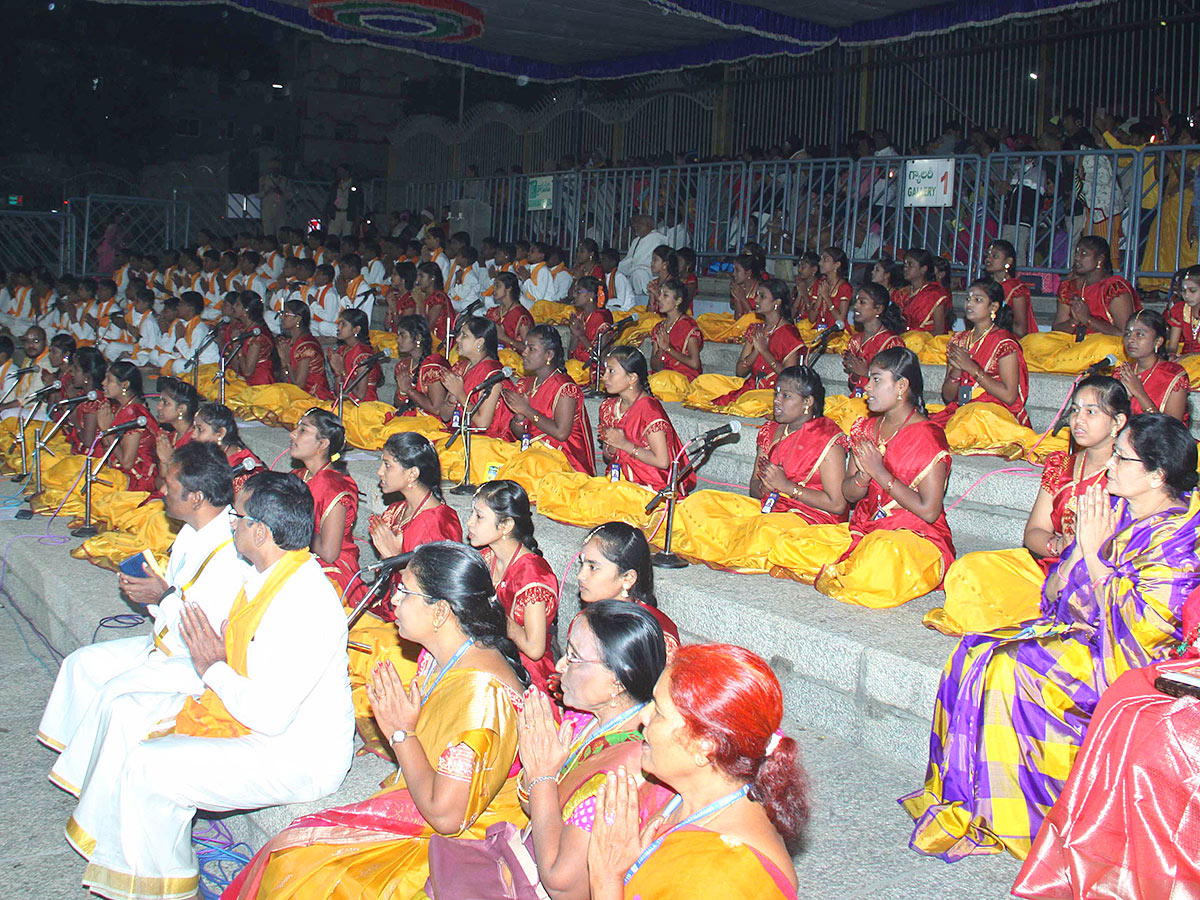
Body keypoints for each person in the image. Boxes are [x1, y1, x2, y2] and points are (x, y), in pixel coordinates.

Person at [901, 414, 1200, 862]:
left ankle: (1016, 822)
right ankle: (970, 800)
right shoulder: (1119, 507)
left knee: (1009, 668)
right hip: (1081, 632)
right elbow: (1060, 588)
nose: (1110, 466)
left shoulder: (1180, 539)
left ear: (1157, 475)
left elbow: (1143, 634)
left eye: (1121, 457)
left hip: (1124, 662)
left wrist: (1096, 558)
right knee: (974, 650)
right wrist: (1079, 550)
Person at [57, 470, 353, 900]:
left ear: (261, 531)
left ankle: (167, 889)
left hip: (296, 753)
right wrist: (209, 657)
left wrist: (211, 666)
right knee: (129, 709)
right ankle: (115, 848)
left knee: (152, 766)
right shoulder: (267, 575)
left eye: (238, 515)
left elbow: (268, 716)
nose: (230, 522)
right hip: (251, 717)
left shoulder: (305, 601)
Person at [223, 542, 530, 900]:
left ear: (441, 611)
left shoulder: (481, 696)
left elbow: (448, 820)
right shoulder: (444, 654)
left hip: (465, 841)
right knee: (295, 845)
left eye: (404, 591)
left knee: (304, 870)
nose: (395, 601)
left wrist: (401, 734)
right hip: (437, 803)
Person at [38, 442, 249, 796]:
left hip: (197, 664)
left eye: (170, 485)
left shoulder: (232, 549)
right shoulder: (191, 530)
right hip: (166, 642)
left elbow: (204, 631)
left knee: (113, 693)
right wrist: (149, 592)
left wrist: (161, 596)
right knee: (81, 665)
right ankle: (80, 765)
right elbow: (176, 593)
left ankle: (98, 790)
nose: (163, 491)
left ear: (196, 497)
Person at [431, 600, 668, 900]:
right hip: (531, 852)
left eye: (574, 657)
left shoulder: (623, 772)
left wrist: (543, 776)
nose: (559, 666)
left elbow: (560, 882)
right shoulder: (582, 719)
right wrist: (538, 775)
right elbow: (535, 806)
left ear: (617, 680)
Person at [587, 643, 809, 900]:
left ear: (705, 747)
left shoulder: (723, 878)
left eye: (658, 711)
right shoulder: (688, 792)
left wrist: (605, 879)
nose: (643, 716)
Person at [1013, 600, 1200, 898]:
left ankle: (1162, 877)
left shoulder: (1175, 553)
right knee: (1128, 700)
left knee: (1167, 736)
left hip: (1122, 646)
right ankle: (1111, 862)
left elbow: (1152, 627)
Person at [929, 377, 1130, 636]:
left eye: (1091, 411)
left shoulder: (1129, 475)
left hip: (1099, 577)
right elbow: (1034, 531)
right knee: (966, 570)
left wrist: (1086, 549)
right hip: (1049, 570)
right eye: (1075, 410)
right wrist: (1058, 546)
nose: (1078, 420)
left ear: (1118, 422)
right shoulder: (1062, 467)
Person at [768, 347, 953, 607]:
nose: (867, 387)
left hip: (915, 535)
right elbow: (848, 493)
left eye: (877, 379)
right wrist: (863, 479)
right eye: (869, 379)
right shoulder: (865, 428)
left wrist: (879, 472)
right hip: (867, 529)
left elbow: (930, 511)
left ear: (901, 386)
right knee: (791, 544)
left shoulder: (927, 435)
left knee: (881, 557)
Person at [671, 366, 848, 572]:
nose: (776, 401)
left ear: (807, 403)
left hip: (811, 518)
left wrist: (786, 487)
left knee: (762, 531)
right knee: (701, 502)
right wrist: (765, 487)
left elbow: (837, 505)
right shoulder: (771, 430)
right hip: (771, 507)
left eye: (786, 396)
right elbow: (754, 488)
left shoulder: (827, 440)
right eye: (776, 393)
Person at [349, 432, 463, 751]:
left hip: (421, 630)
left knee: (361, 653)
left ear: (412, 474)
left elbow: (437, 598)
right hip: (391, 611)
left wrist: (393, 558)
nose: (380, 473)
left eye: (387, 465)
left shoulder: (441, 521)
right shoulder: (398, 512)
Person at [467, 480, 560, 694]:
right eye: (472, 514)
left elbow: (535, 650)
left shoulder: (531, 573)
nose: (470, 523)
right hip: (490, 654)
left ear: (506, 525)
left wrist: (499, 618)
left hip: (523, 671)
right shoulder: (486, 557)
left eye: (479, 517)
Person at [931, 278, 1031, 428]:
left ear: (994, 307)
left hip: (991, 415)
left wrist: (971, 368)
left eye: (978, 300)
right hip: (964, 411)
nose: (969, 304)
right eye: (967, 299)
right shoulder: (958, 340)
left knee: (972, 418)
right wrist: (958, 370)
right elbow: (948, 396)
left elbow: (1010, 397)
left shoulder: (1004, 343)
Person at [502, 323, 596, 474]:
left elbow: (561, 433)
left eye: (531, 349)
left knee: (525, 465)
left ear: (549, 355)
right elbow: (521, 434)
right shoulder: (526, 383)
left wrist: (526, 410)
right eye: (525, 347)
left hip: (565, 459)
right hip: (536, 452)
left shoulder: (565, 387)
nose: (524, 353)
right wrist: (519, 417)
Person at [599, 346, 694, 495]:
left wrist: (623, 444)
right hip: (620, 478)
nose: (604, 377)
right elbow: (607, 454)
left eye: (611, 371)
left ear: (632, 378)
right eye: (605, 371)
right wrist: (612, 448)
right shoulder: (608, 407)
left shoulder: (649, 410)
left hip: (651, 484)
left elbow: (662, 461)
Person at [288, 409, 361, 602]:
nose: (292, 434)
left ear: (322, 444)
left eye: (303, 430)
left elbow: (329, 552)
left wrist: (291, 528)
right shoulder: (299, 476)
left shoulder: (334, 488)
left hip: (332, 568)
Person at [578, 521, 681, 654]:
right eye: (581, 564)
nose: (581, 575)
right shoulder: (584, 620)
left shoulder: (654, 637)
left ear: (628, 578)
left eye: (593, 568)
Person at [715, 278, 804, 408]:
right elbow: (740, 371)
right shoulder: (755, 329)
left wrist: (764, 352)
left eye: (762, 296)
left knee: (750, 402)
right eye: (757, 295)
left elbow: (790, 380)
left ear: (777, 302)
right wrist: (756, 351)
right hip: (752, 387)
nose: (756, 300)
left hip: (774, 394)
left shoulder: (789, 333)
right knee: (707, 384)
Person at [442, 315, 515, 440]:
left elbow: (482, 424)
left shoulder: (492, 374)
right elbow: (444, 416)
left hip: (485, 440)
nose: (458, 339)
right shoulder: (461, 367)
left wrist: (460, 394)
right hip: (459, 433)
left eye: (464, 335)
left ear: (479, 342)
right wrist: (451, 400)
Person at [1051, 236, 1139, 337]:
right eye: (1076, 252)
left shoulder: (1114, 288)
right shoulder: (1069, 287)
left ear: (1100, 259)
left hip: (1104, 346)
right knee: (1034, 341)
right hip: (1073, 343)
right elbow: (1056, 330)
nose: (1077, 257)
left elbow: (1125, 334)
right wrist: (1073, 321)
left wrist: (1088, 320)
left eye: (1083, 253)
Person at [94, 361, 161, 493]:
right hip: (120, 471)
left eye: (109, 380)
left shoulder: (133, 414)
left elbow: (127, 463)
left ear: (125, 385)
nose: (103, 383)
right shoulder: (121, 407)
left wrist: (106, 430)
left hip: (137, 478)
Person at [1116, 308, 1189, 422]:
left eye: (1139, 334)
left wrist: (1139, 393)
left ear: (1158, 341)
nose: (1131, 339)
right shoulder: (1122, 372)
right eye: (1127, 334)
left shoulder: (1173, 376)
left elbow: (1172, 431)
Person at [841, 283, 905, 396]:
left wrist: (866, 373)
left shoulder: (892, 343)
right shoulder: (855, 341)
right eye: (856, 301)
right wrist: (855, 373)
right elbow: (853, 386)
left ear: (878, 309)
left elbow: (896, 386)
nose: (855, 306)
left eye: (862, 302)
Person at [192, 403, 266, 494]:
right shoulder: (207, 452)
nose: (193, 435)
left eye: (200, 429)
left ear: (220, 433)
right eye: (193, 428)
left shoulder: (243, 469)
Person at [390, 314, 451, 417]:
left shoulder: (433, 365)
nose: (398, 340)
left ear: (418, 338)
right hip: (409, 417)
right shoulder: (403, 365)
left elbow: (436, 409)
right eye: (398, 335)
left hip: (430, 422)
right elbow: (398, 403)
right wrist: (402, 391)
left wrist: (409, 390)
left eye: (403, 335)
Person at [647, 278, 703, 380]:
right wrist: (661, 350)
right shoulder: (659, 327)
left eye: (665, 295)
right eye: (660, 294)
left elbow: (695, 364)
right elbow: (654, 365)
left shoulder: (688, 326)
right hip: (664, 378)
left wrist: (668, 349)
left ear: (678, 301)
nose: (659, 298)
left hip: (684, 378)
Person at [277, 300, 333, 401]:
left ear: (298, 318)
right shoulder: (289, 342)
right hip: (295, 394)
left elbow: (299, 385)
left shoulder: (306, 347)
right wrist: (283, 363)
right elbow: (285, 378)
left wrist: (287, 361)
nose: (281, 317)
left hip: (312, 397)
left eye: (285, 314)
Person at [983, 239, 1038, 336]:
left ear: (1008, 261)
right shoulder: (983, 286)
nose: (988, 259)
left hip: (1008, 341)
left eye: (994, 256)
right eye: (988, 256)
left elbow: (1020, 330)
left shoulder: (1016, 289)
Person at [894, 248, 951, 335]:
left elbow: (939, 331)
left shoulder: (935, 294)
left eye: (910, 265)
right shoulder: (902, 293)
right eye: (905, 264)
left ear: (923, 269)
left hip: (928, 343)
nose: (905, 268)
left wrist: (915, 338)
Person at [329, 308, 381, 404]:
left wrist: (342, 371)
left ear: (356, 329)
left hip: (364, 406)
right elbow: (338, 392)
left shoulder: (363, 355)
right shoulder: (342, 350)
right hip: (346, 402)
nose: (338, 328)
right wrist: (337, 373)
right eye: (339, 323)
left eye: (343, 324)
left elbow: (360, 395)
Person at [229, 293, 278, 387]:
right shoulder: (242, 330)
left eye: (237, 304)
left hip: (259, 385)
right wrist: (235, 344)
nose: (233, 306)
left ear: (246, 310)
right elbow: (236, 367)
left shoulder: (257, 337)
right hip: (245, 381)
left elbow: (247, 371)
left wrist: (237, 346)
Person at [567, 275, 615, 366]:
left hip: (592, 373)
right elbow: (571, 355)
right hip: (576, 368)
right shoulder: (580, 315)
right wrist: (574, 334)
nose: (574, 295)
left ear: (591, 295)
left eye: (578, 292)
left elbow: (600, 360)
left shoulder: (601, 317)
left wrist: (581, 336)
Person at [618, 215, 669, 296]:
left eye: (639, 224)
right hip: (633, 271)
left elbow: (643, 262)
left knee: (639, 274)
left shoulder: (657, 238)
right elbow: (630, 259)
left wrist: (630, 268)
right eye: (635, 224)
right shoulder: (636, 240)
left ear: (649, 225)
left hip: (650, 274)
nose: (635, 226)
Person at [485, 271, 534, 352]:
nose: (494, 289)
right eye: (494, 286)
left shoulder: (521, 316)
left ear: (509, 288)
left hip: (512, 361)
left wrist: (504, 337)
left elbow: (528, 349)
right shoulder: (493, 312)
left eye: (497, 286)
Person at [806, 247, 853, 330]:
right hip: (818, 332)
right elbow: (812, 318)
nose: (820, 263)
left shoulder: (845, 287)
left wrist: (827, 297)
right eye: (821, 259)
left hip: (836, 335)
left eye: (825, 260)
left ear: (837, 265)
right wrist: (820, 297)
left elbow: (840, 320)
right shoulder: (819, 283)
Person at [415, 261, 454, 350]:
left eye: (421, 276)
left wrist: (420, 303)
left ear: (432, 278)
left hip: (439, 343)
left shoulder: (438, 297)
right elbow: (417, 322)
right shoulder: (425, 295)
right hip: (426, 338)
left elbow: (428, 327)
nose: (417, 280)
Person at [1166, 264, 1200, 357]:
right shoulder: (1179, 310)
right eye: (1183, 290)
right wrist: (1172, 355)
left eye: (1192, 291)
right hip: (1185, 357)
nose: (1186, 295)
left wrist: (1190, 356)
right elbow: (1173, 346)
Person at [645, 245, 679, 315]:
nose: (652, 263)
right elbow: (650, 311)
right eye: (652, 260)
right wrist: (651, 295)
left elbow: (670, 311)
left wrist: (655, 293)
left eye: (655, 260)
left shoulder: (673, 284)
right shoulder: (655, 282)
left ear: (665, 264)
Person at [729, 254, 764, 319]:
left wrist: (742, 298)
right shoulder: (739, 287)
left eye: (737, 270)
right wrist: (737, 298)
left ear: (748, 273)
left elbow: (756, 320)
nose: (733, 274)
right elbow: (738, 318)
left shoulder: (761, 290)